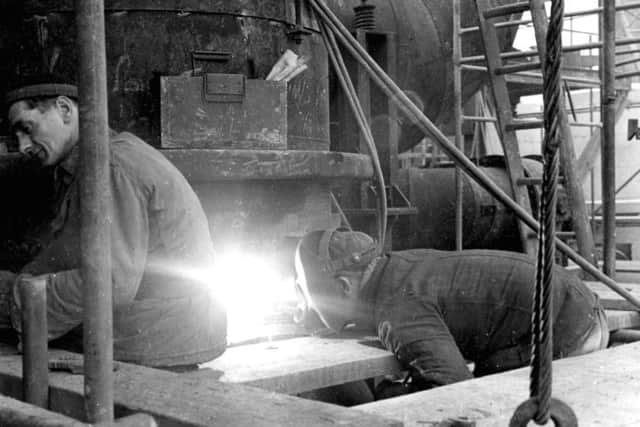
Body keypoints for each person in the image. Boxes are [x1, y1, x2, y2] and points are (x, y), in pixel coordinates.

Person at [0, 74, 226, 368]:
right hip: (167, 327)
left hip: (155, 336)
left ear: (65, 110)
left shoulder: (109, 166)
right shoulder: (102, 157)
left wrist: (18, 302)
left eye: (27, 129)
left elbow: (109, 281)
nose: (22, 146)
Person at [294, 228, 609, 391]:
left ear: (345, 287)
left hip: (570, 330)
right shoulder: (398, 266)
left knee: (485, 385)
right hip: (578, 303)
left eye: (307, 292)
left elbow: (453, 385)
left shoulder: (398, 311)